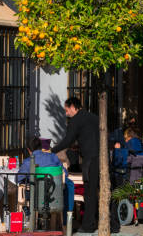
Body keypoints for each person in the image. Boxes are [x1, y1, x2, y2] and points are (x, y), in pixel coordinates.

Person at [51, 97, 99, 233]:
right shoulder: (94, 117)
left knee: (89, 193)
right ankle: (113, 223)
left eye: (66, 110)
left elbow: (68, 140)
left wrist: (52, 150)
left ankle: (88, 225)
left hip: (90, 159)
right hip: (102, 157)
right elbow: (91, 136)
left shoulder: (76, 120)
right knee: (104, 190)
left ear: (73, 107)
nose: (66, 114)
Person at [18, 137, 74, 224]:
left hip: (36, 197)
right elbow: (65, 173)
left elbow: (18, 178)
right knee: (69, 184)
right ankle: (67, 221)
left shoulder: (28, 162)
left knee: (27, 188)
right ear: (41, 147)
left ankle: (30, 221)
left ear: (29, 150)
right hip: (55, 196)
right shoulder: (53, 157)